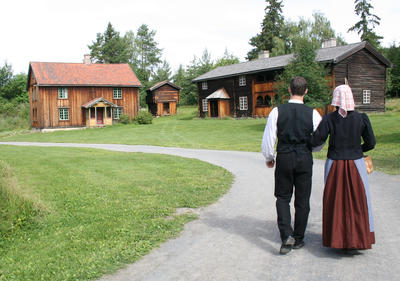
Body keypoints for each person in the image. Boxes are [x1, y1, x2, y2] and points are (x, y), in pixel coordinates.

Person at [262, 76, 322, 255]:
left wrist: (269, 157)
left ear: (289, 89)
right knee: (302, 199)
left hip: (285, 156)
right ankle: (299, 237)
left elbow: (270, 137)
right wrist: (312, 149)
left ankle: (287, 234)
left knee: (282, 197)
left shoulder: (277, 111)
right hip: (304, 157)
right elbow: (319, 138)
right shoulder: (313, 113)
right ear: (306, 91)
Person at [312, 84, 376, 252]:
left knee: (335, 199)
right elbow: (371, 143)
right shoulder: (362, 118)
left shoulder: (329, 119)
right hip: (356, 164)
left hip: (335, 164)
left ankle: (337, 238)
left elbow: (316, 140)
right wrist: (357, 150)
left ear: (336, 99)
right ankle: (359, 238)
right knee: (359, 199)